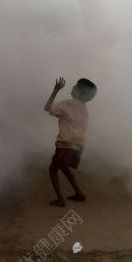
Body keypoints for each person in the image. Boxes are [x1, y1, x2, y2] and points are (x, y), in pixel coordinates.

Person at [44, 77, 97, 207]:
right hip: (78, 145)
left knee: (52, 169)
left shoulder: (67, 104)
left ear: (81, 93)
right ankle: (79, 193)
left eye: (75, 87)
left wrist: (55, 91)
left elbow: (47, 108)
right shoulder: (84, 108)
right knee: (64, 167)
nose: (72, 88)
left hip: (65, 143)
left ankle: (60, 200)